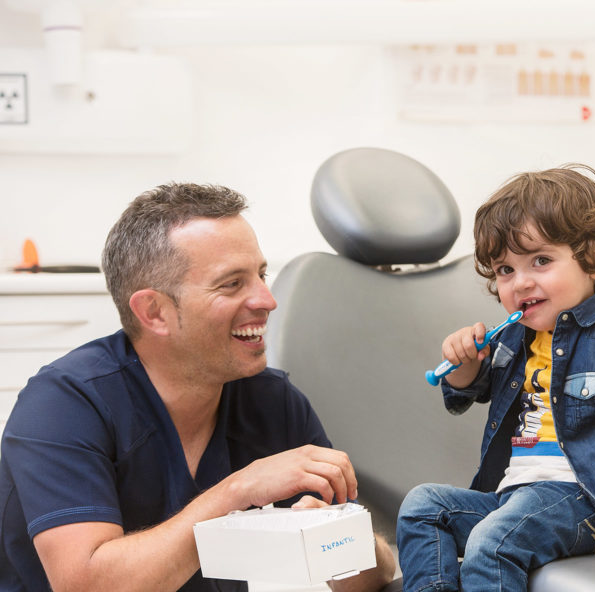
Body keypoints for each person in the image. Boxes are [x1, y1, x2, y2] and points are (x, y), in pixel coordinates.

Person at [0, 183, 396, 592]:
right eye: (231, 284)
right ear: (154, 311)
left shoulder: (273, 402)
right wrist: (238, 491)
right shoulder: (64, 405)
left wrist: (335, 543)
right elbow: (89, 586)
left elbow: (374, 572)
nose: (267, 300)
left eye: (261, 275)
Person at [396, 165, 595, 592]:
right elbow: (475, 390)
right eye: (504, 270)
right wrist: (467, 364)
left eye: (541, 260)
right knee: (422, 507)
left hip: (589, 500)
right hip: (517, 497)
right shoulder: (515, 335)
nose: (520, 282)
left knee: (492, 543)